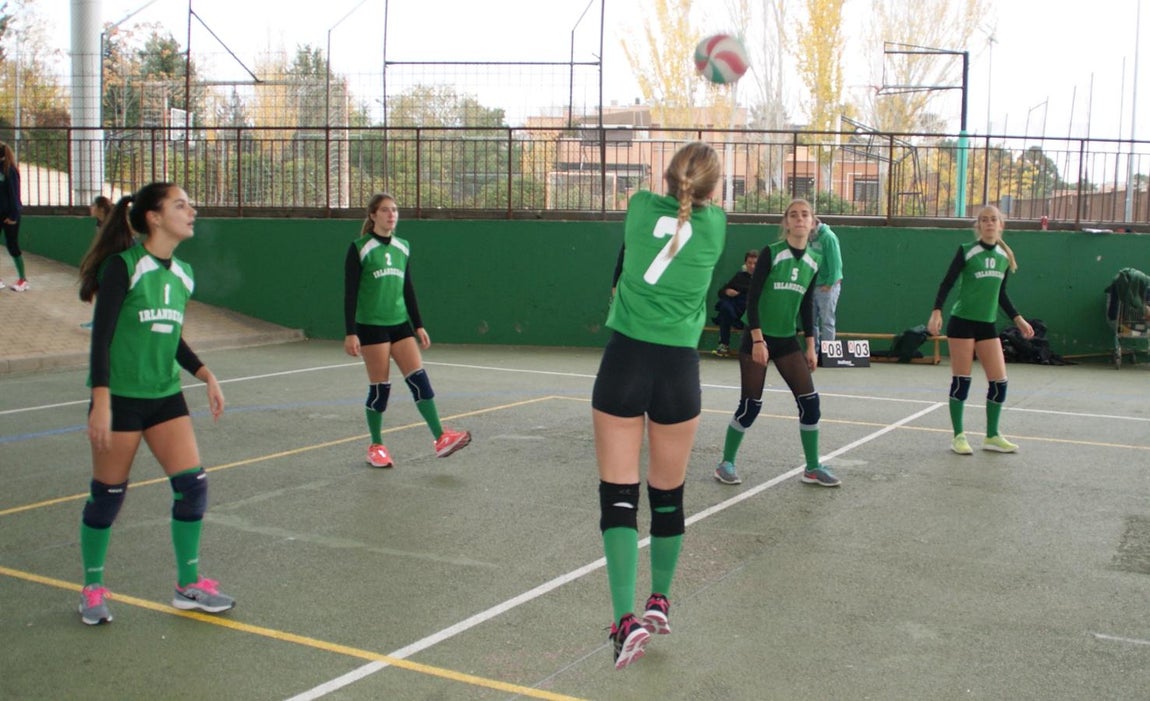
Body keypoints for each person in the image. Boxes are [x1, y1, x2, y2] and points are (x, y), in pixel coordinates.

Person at [593, 141, 726, 670]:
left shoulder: (639, 208)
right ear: (713, 189)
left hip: (625, 362)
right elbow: (699, 205)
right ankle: (660, 600)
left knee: (619, 497)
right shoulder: (716, 228)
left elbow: (656, 201)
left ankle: (623, 620)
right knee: (667, 495)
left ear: (666, 177)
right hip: (678, 372)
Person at [75, 182, 234, 625]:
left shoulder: (183, 274)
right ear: (154, 217)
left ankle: (188, 584)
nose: (191, 211)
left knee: (193, 485)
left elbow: (171, 334)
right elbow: (102, 337)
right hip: (121, 399)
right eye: (181, 205)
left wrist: (205, 373)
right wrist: (101, 399)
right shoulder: (122, 267)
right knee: (107, 496)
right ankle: (91, 589)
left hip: (165, 396)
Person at [714, 198, 840, 488]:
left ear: (813, 222)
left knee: (810, 403)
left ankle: (812, 467)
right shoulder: (772, 253)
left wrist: (811, 345)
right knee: (751, 405)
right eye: (793, 215)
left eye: (805, 214)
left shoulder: (814, 260)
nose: (799, 219)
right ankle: (726, 463)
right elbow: (753, 298)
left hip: (786, 340)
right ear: (786, 223)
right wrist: (757, 339)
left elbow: (806, 305)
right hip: (758, 337)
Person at [344, 193, 471, 468]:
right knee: (380, 389)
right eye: (385, 210)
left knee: (419, 380)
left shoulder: (403, 247)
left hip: (400, 324)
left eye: (394, 210)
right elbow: (350, 293)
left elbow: (408, 288)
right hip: (372, 327)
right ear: (373, 215)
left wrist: (419, 325)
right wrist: (351, 332)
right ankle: (376, 446)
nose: (391, 215)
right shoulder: (360, 248)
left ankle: (440, 438)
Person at [927, 204, 1033, 455]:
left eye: (993, 219)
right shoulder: (967, 251)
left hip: (987, 324)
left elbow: (1001, 294)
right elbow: (947, 282)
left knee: (999, 382)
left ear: (1000, 224)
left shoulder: (1004, 257)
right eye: (984, 220)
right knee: (962, 380)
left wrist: (1018, 319)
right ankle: (958, 436)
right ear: (978, 225)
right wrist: (937, 311)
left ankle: (992, 435)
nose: (989, 223)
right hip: (962, 322)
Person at [711, 249, 758, 357]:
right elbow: (721, 292)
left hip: (754, 312)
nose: (752, 266)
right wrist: (727, 291)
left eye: (755, 263)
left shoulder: (763, 277)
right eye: (749, 263)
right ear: (745, 263)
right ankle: (723, 344)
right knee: (725, 307)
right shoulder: (739, 276)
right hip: (737, 312)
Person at [81, 196, 116, 330]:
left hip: (114, 260)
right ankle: (98, 321)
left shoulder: (111, 223)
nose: (91, 208)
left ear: (101, 209)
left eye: (93, 205)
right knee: (99, 291)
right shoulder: (99, 222)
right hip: (104, 259)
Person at [809, 218, 843, 350]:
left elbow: (836, 264)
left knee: (827, 321)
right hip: (811, 285)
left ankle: (827, 353)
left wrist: (829, 284)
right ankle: (814, 352)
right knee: (810, 322)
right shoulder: (809, 238)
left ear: (814, 223)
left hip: (827, 287)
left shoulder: (829, 237)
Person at [0, 141, 29, 292]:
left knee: (12, 246)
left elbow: (15, 195)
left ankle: (23, 280)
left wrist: (13, 216)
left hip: (9, 216)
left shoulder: (10, 171)